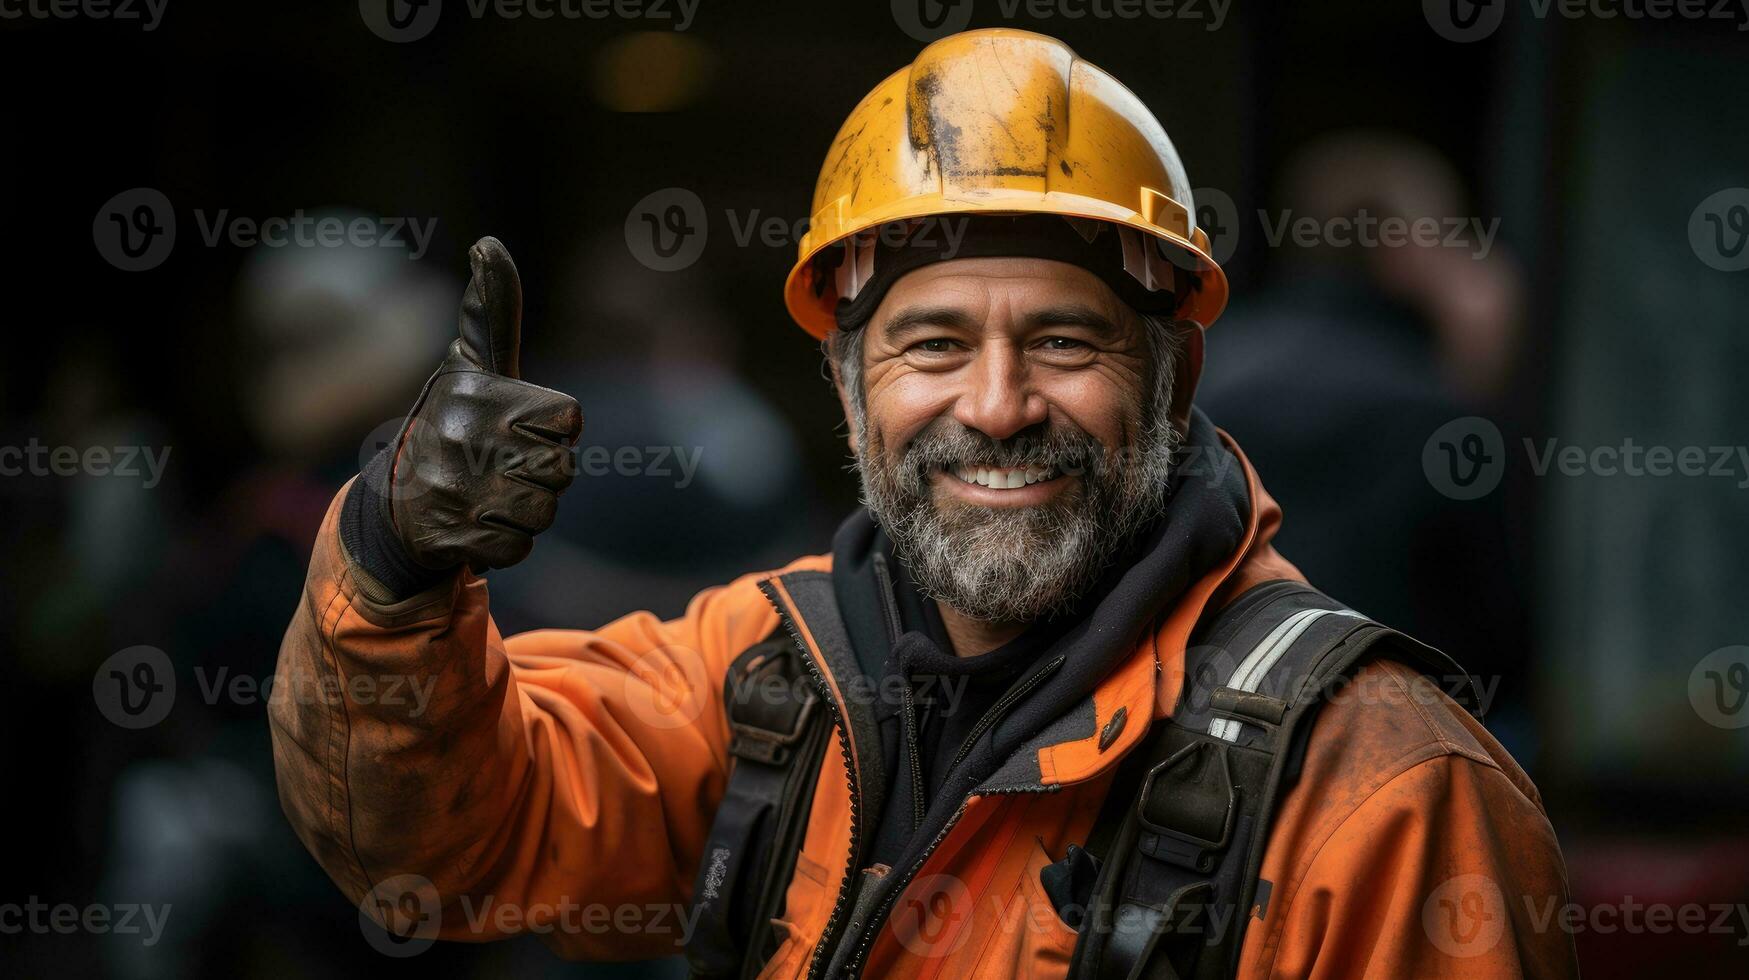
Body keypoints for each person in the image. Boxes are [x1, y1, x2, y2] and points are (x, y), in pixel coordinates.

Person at [269, 29, 1577, 979]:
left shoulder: (1380, 793)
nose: (997, 406)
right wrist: (392, 563)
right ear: (850, 389)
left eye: (1063, 343)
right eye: (933, 346)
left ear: (1171, 374)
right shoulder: (766, 679)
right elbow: (435, 848)